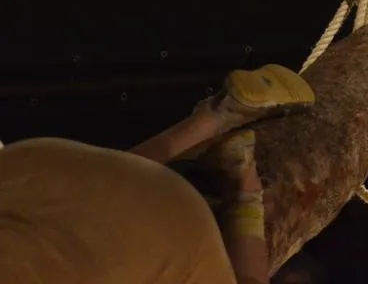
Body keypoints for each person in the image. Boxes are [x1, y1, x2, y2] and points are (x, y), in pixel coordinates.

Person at [0, 63, 315, 284]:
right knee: (93, 195)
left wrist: (245, 197)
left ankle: (242, 183)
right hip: (38, 160)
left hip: (171, 226)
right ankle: (218, 114)